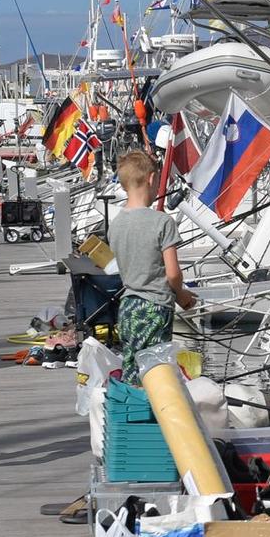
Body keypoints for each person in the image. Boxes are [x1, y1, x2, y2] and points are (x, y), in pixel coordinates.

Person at [110, 147, 196, 372]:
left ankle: (129, 406)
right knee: (156, 371)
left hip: (127, 307)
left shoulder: (115, 224)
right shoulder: (162, 222)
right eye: (158, 180)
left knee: (132, 368)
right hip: (155, 308)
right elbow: (173, 274)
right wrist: (182, 296)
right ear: (150, 179)